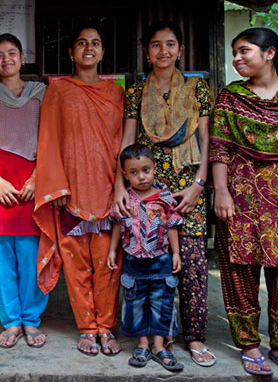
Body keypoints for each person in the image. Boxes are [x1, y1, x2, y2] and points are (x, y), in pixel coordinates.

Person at [211, 27, 278, 379]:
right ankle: (249, 345)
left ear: (270, 53)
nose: (237, 58)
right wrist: (221, 192)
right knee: (238, 270)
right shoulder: (230, 97)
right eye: (235, 52)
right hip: (239, 199)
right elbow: (220, 148)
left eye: (244, 51)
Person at [114, 20, 214, 367]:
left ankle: (196, 337)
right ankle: (158, 338)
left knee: (192, 263)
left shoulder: (198, 87)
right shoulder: (136, 92)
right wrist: (119, 188)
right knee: (149, 268)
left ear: (180, 50)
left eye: (170, 44)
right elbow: (127, 142)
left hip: (189, 187)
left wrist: (199, 185)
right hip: (147, 188)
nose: (164, 51)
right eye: (156, 45)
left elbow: (206, 138)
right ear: (147, 52)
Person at [35, 25, 124, 356]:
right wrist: (56, 184)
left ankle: (107, 327)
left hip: (108, 190)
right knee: (76, 265)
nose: (89, 48)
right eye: (82, 43)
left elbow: (123, 145)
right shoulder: (58, 91)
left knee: (108, 263)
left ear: (102, 53)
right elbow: (48, 138)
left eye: (96, 43)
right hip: (71, 191)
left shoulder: (116, 93)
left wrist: (123, 187)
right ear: (71, 52)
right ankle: (87, 328)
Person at [0, 34, 48, 349]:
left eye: (12, 53)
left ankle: (31, 320)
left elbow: (51, 137)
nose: (6, 59)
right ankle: (11, 321)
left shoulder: (42, 93)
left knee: (32, 253)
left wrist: (37, 177)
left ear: (23, 57)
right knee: (0, 253)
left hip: (33, 180)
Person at [107, 143, 183, 372]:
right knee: (135, 303)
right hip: (133, 262)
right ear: (125, 174)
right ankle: (142, 344)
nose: (141, 177)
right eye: (134, 172)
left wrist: (176, 252)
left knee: (162, 304)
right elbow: (119, 226)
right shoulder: (125, 199)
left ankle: (160, 346)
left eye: (146, 170)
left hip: (161, 261)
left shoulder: (164, 198)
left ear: (154, 168)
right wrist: (112, 250)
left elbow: (171, 225)